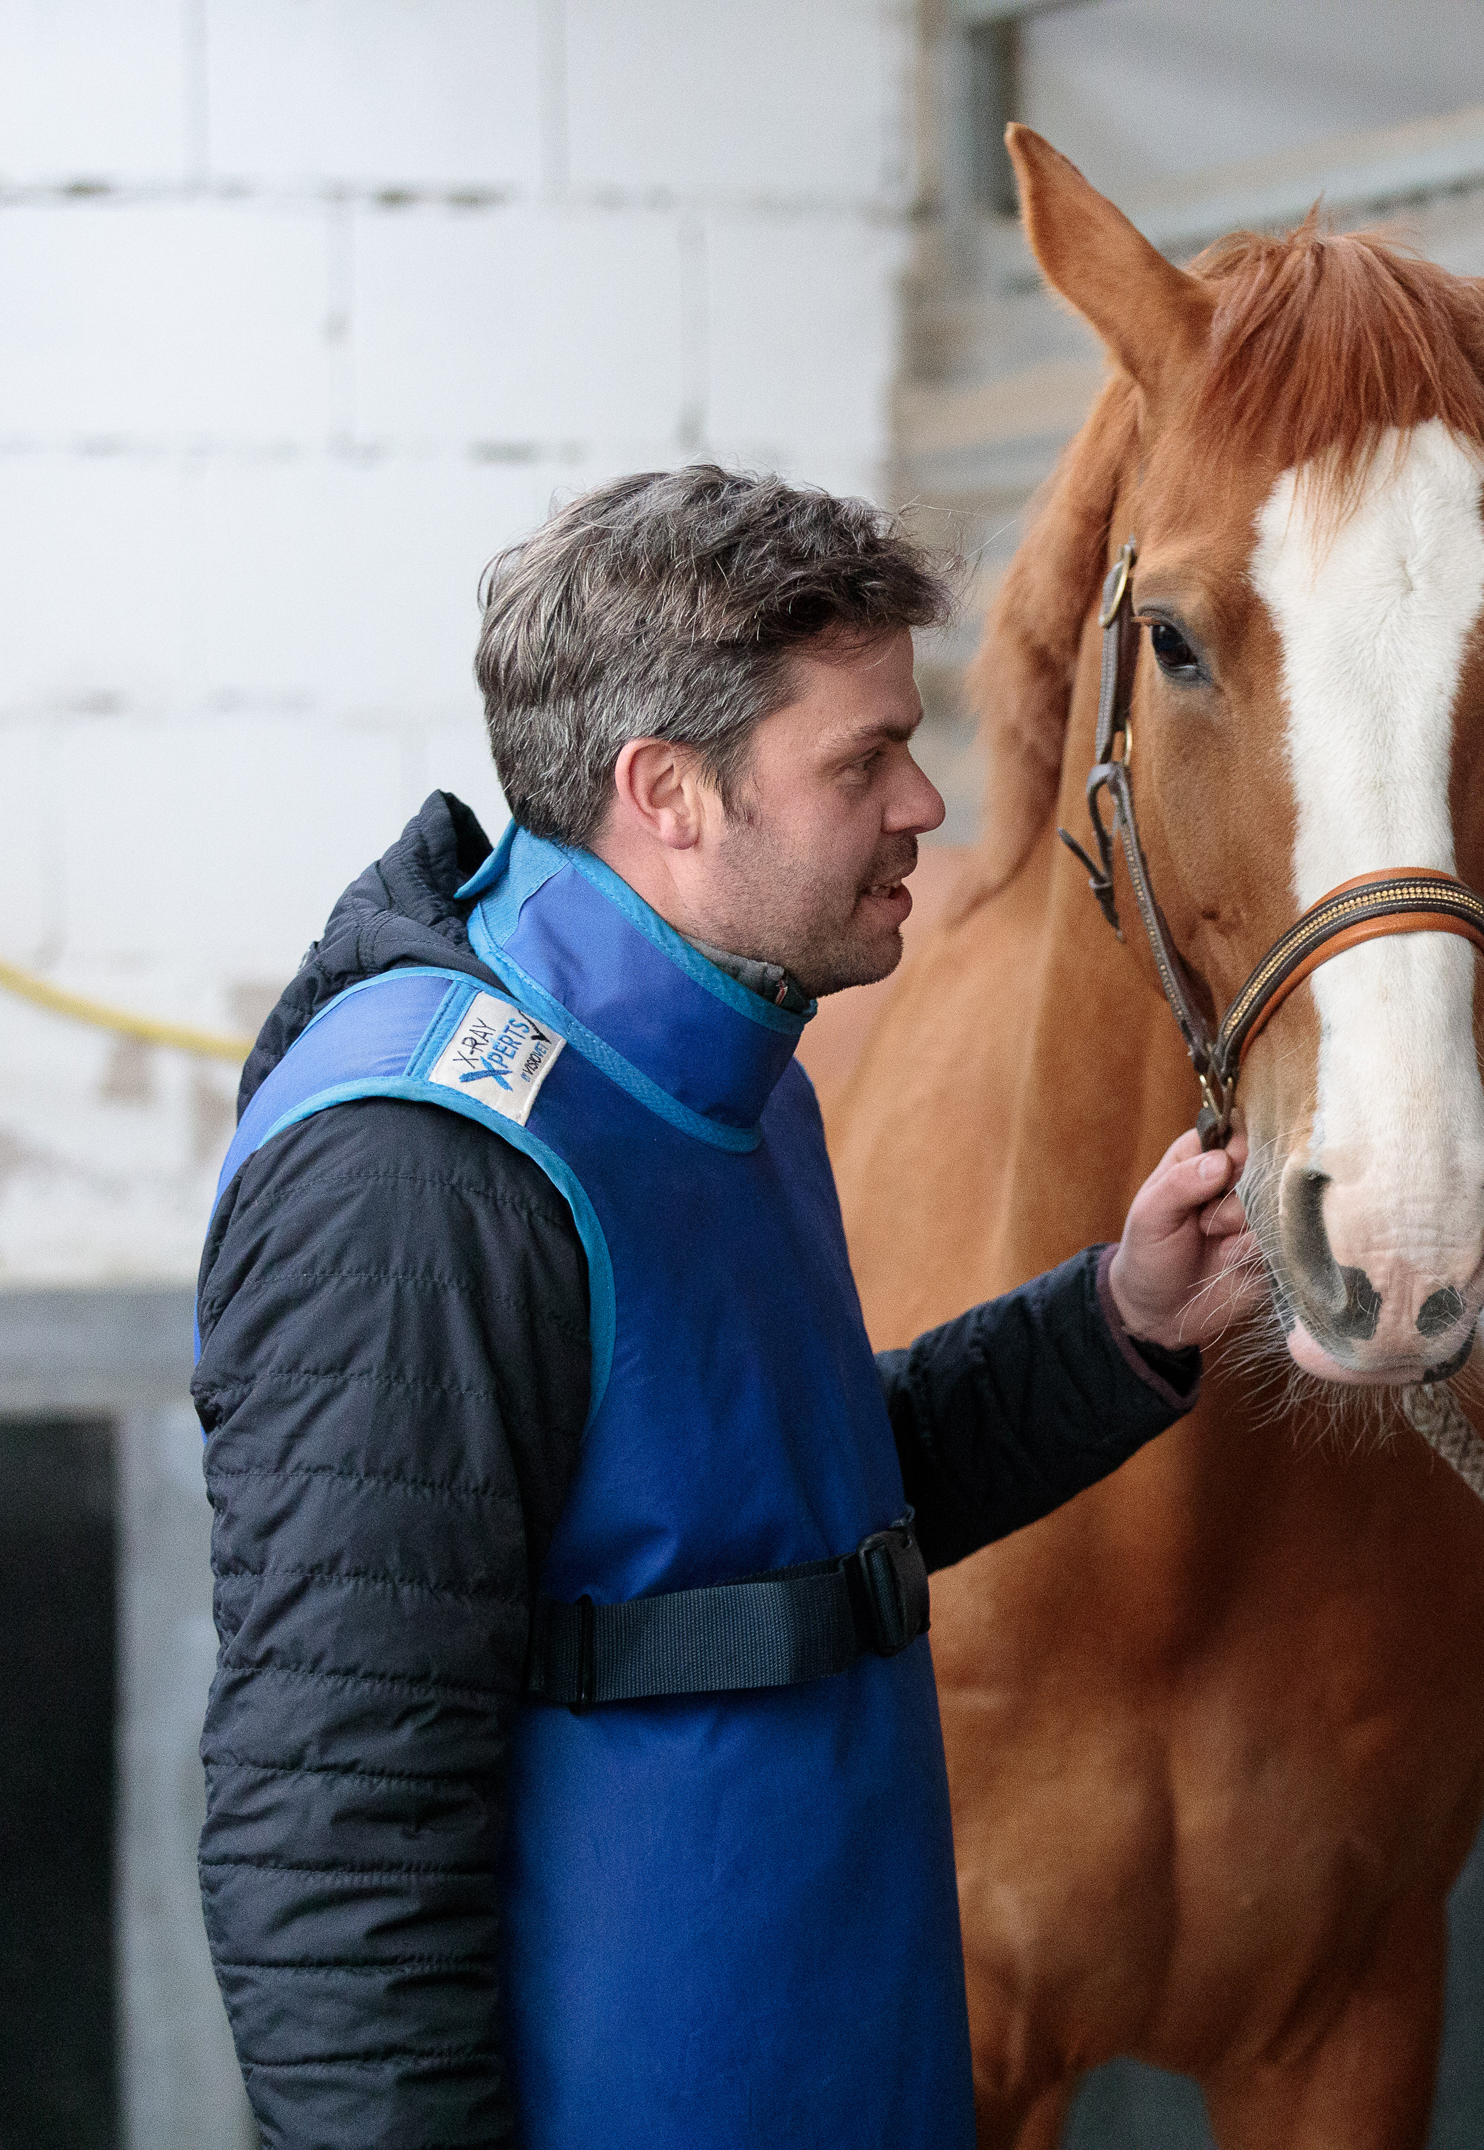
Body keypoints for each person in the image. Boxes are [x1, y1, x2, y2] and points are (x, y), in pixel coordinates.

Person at [190, 467, 1260, 2148]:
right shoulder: (417, 1173)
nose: (925, 802)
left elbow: (786, 1512)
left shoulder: (735, 1065)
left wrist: (1121, 1318)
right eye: (862, 760)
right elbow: (334, 1823)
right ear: (665, 792)